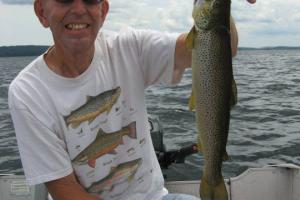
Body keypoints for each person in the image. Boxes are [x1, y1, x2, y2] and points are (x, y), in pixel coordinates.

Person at [8, 0, 254, 199]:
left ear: (103, 11)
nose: (79, 8)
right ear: (41, 11)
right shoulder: (28, 92)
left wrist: (223, 5)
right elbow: (67, 193)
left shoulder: (129, 47)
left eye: (91, 0)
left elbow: (223, 48)